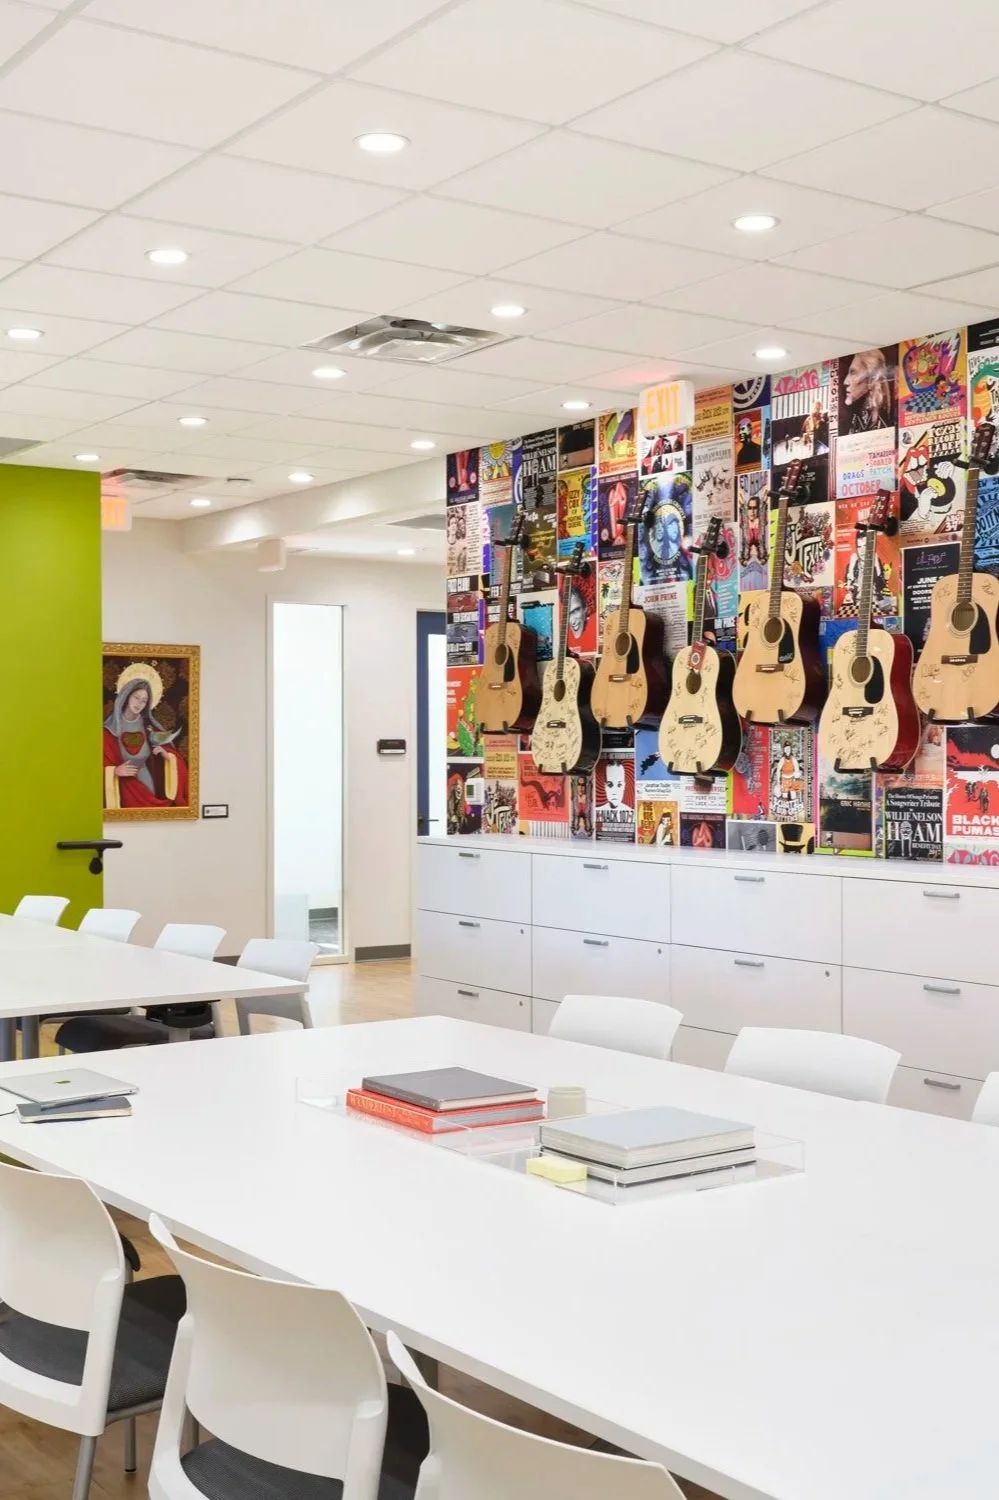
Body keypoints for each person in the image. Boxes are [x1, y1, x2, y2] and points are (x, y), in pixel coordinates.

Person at [103, 664, 189, 811]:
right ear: (127, 697)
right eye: (136, 697)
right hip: (122, 786)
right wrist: (114, 771)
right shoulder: (108, 731)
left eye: (144, 701)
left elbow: (172, 755)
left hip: (146, 780)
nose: (139, 703)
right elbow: (91, 767)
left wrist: (166, 755)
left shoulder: (149, 727)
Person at [842, 349, 893, 432]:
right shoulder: (856, 415)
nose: (845, 382)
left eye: (853, 372)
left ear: (871, 379)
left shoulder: (883, 417)